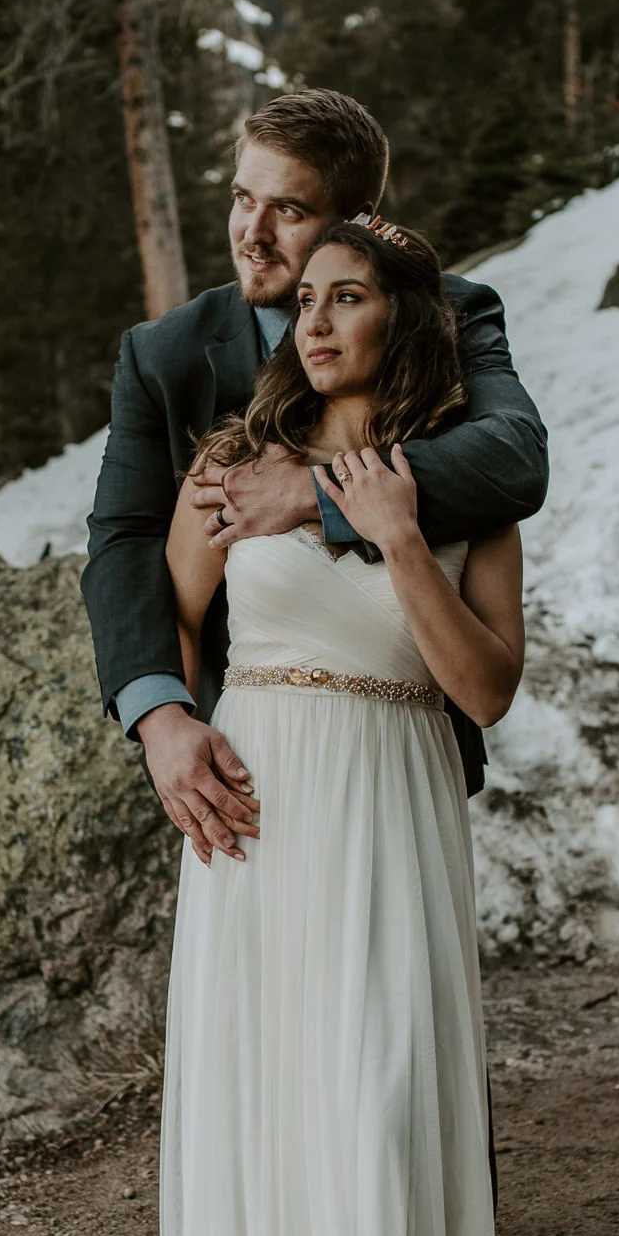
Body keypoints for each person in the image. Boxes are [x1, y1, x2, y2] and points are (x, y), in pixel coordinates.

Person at [127, 218, 561, 1236]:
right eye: (304, 299)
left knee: (378, 1089)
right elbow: (175, 614)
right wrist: (175, 725)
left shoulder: (461, 489)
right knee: (269, 1095)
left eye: (347, 297)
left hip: (390, 797)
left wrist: (400, 536)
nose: (311, 322)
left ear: (402, 320)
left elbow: (484, 689)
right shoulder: (232, 456)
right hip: (261, 807)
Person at [80, 88, 549, 860]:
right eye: (242, 199)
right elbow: (125, 539)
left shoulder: (443, 313)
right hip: (247, 771)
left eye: (287, 211)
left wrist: (312, 492)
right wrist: (160, 719)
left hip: (407, 760)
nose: (252, 233)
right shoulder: (164, 353)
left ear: (355, 221)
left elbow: (514, 457)